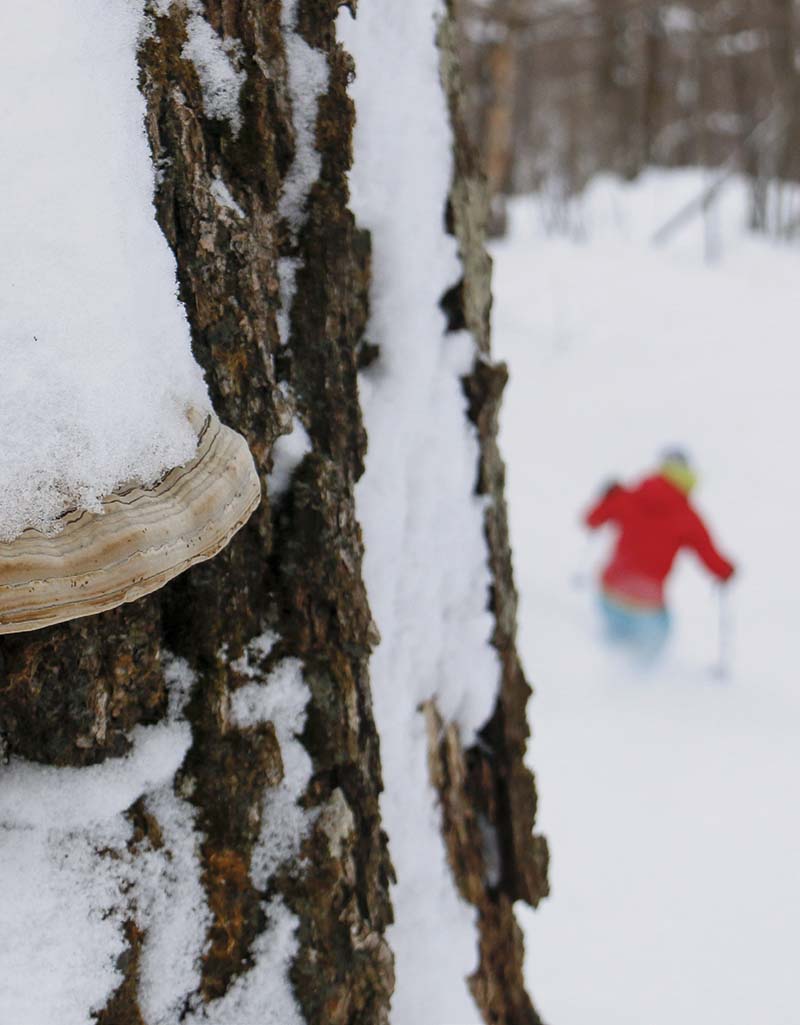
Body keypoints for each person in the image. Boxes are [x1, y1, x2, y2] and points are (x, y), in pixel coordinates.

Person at [584, 450, 735, 659]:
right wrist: (726, 571)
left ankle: (604, 683)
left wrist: (607, 496)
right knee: (645, 665)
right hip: (647, 607)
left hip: (609, 595)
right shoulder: (687, 516)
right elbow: (711, 558)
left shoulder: (629, 495)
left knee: (611, 652)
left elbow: (591, 520)